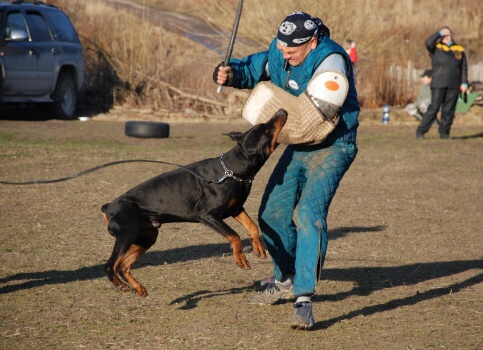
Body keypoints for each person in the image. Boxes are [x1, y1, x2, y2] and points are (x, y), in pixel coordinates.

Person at [214, 11, 359, 330]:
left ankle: (304, 298)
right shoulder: (280, 52)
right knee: (271, 215)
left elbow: (322, 113)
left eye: (291, 49)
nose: (284, 53)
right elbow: (256, 67)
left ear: (313, 42)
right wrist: (230, 74)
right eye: (281, 47)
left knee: (309, 215)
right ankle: (285, 278)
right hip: (299, 142)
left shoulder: (331, 61)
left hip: (334, 144)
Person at [416, 26, 468, 140]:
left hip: (454, 84)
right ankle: (421, 130)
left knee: (449, 110)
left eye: (448, 34)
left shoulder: (459, 48)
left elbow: (463, 67)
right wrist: (439, 33)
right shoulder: (435, 47)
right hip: (439, 83)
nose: (446, 36)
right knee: (434, 107)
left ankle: (444, 133)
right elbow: (428, 42)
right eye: (444, 34)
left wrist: (464, 83)